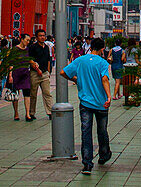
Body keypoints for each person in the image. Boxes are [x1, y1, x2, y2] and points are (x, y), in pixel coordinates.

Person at [61, 37, 113, 176]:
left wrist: (75, 79)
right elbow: (104, 79)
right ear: (102, 49)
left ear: (91, 47)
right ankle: (104, 154)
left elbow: (63, 72)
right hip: (101, 103)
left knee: (86, 132)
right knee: (102, 131)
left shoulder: (80, 60)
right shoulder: (102, 63)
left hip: (85, 103)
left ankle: (87, 164)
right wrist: (108, 96)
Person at [28, 29, 54, 120]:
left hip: (44, 74)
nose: (42, 37)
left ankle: (50, 112)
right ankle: (31, 112)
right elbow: (30, 60)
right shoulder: (32, 47)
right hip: (35, 73)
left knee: (47, 93)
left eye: (43, 35)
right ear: (36, 37)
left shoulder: (47, 47)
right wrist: (37, 69)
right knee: (33, 94)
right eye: (40, 35)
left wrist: (48, 71)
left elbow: (48, 60)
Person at [11, 35, 33, 121]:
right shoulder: (15, 50)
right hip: (16, 73)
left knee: (27, 92)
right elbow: (11, 62)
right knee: (16, 94)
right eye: (27, 40)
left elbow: (30, 60)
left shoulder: (28, 50)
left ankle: (27, 114)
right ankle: (16, 113)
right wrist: (10, 75)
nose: (28, 42)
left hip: (25, 73)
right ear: (22, 40)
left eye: (29, 40)